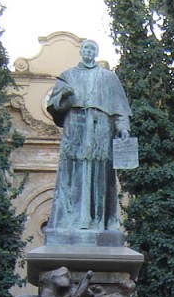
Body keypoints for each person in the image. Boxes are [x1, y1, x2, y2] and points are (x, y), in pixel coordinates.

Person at [46, 39, 131, 232]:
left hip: (101, 128)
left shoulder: (109, 78)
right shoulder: (67, 76)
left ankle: (98, 221)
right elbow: (55, 106)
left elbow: (119, 109)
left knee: (100, 174)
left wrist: (123, 127)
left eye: (93, 48)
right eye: (86, 48)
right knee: (73, 174)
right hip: (75, 128)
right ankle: (70, 222)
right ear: (81, 51)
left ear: (97, 51)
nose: (89, 51)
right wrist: (64, 97)